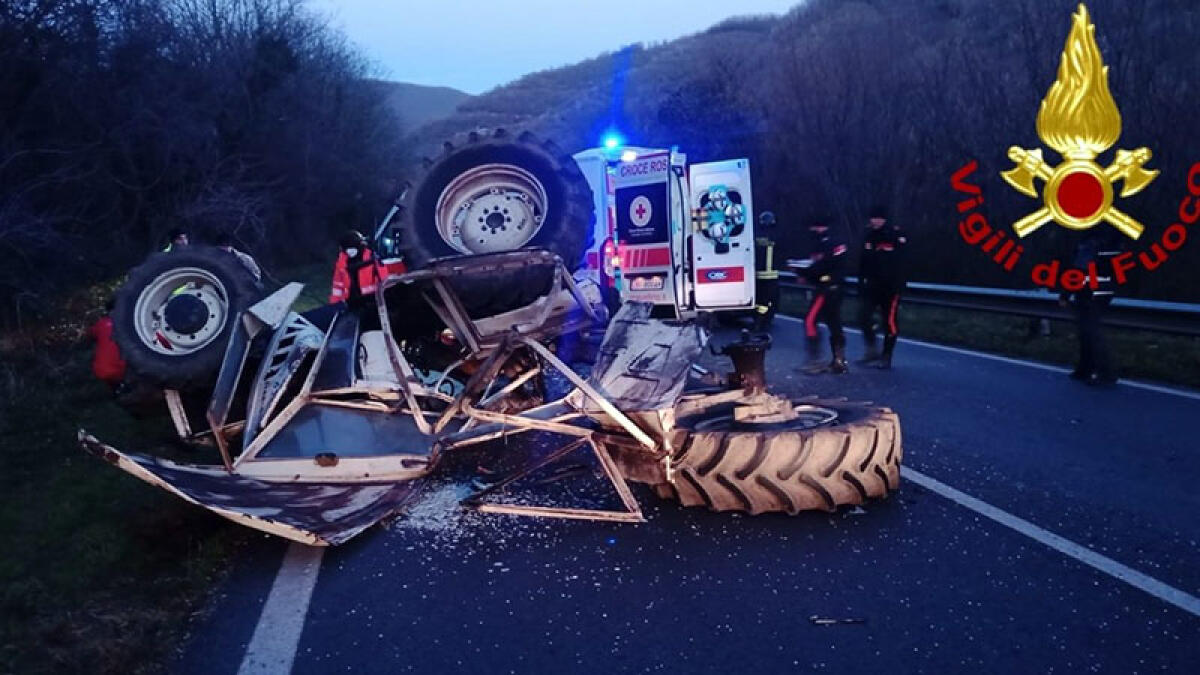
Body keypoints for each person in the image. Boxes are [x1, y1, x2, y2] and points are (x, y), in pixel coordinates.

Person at [1063, 230, 1121, 386]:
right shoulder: (1108, 243)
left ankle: (1103, 372)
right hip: (1103, 291)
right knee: (1089, 333)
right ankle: (1087, 369)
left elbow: (1079, 271)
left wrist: (1066, 293)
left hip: (1089, 293)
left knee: (1090, 333)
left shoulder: (1089, 244)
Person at [857, 205, 907, 369]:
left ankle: (886, 356)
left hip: (891, 287)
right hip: (872, 285)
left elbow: (902, 260)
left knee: (889, 322)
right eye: (874, 218)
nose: (876, 221)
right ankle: (872, 349)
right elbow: (863, 262)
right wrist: (861, 281)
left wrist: (899, 283)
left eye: (880, 218)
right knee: (863, 317)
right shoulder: (868, 236)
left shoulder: (894, 234)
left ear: (885, 219)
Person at [799, 217, 849, 374]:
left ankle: (816, 361)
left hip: (827, 288)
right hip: (833, 287)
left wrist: (804, 273)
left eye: (816, 227)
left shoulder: (830, 244)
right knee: (834, 322)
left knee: (810, 321)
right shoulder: (822, 243)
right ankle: (839, 360)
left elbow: (823, 266)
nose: (814, 230)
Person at [329, 229, 385, 308]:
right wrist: (334, 306)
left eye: (351, 248)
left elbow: (384, 281)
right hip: (350, 303)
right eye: (346, 249)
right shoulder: (341, 262)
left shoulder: (371, 258)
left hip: (371, 302)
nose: (349, 252)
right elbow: (337, 287)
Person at [89, 299, 127, 390]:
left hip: (100, 370)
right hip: (121, 370)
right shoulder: (126, 324)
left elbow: (91, 334)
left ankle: (118, 389)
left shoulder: (101, 324)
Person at [753, 211, 780, 331]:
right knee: (770, 301)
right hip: (772, 276)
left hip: (758, 275)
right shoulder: (776, 236)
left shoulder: (756, 236)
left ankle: (758, 321)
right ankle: (765, 322)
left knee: (760, 301)